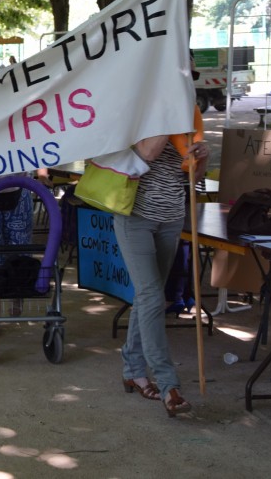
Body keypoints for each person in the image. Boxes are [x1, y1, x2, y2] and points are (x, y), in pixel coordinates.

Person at [114, 88, 208, 417]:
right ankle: (170, 386)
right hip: (135, 217)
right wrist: (167, 112)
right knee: (153, 297)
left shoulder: (189, 112)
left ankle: (133, 370)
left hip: (171, 217)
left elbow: (194, 174)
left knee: (147, 298)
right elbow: (149, 153)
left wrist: (201, 155)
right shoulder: (140, 109)